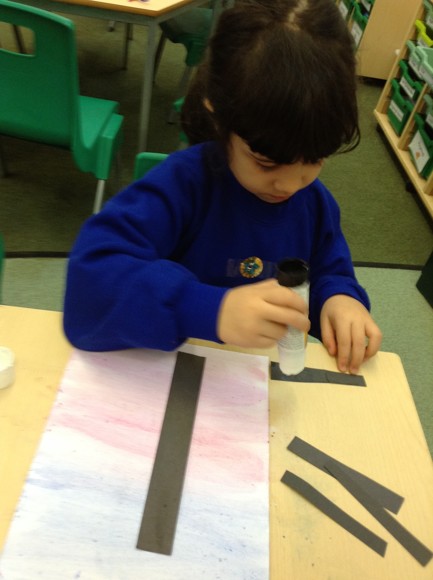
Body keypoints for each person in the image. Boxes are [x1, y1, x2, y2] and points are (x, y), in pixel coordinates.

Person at [63, 0, 382, 375]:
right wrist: (208, 309)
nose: (290, 184)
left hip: (255, 382)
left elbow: (329, 272)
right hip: (165, 377)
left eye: (315, 159)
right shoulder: (181, 186)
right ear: (217, 114)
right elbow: (91, 283)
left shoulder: (314, 204)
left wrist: (340, 298)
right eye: (265, 162)